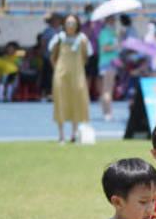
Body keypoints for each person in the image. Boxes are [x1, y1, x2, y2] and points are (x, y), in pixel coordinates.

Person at [49, 14, 93, 144]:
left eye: (73, 23)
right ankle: (61, 135)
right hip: (61, 75)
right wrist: (57, 69)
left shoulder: (82, 39)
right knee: (61, 102)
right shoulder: (59, 38)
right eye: (68, 23)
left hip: (77, 74)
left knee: (77, 102)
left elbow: (86, 56)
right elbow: (53, 56)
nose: (70, 26)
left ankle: (73, 134)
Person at [98, 16, 119, 121]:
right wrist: (115, 46)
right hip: (107, 63)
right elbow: (104, 48)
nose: (114, 22)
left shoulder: (112, 32)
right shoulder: (105, 32)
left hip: (112, 63)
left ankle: (106, 112)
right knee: (107, 89)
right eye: (112, 20)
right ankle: (108, 113)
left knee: (106, 89)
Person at [40, 13, 62, 101]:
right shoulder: (47, 30)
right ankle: (48, 93)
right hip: (49, 56)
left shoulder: (62, 31)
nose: (56, 21)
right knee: (48, 76)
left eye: (58, 20)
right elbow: (43, 43)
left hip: (60, 58)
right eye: (54, 20)